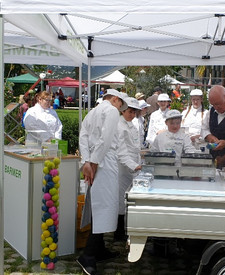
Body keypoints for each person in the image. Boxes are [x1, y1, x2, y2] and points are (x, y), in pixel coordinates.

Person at [77, 89, 128, 275]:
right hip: (104, 162)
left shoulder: (92, 112)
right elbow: (106, 138)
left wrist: (86, 161)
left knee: (98, 206)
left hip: (95, 161)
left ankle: (98, 250)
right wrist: (94, 162)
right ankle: (88, 255)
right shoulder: (112, 111)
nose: (120, 108)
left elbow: (83, 136)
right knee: (105, 206)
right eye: (120, 104)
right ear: (114, 99)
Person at [115, 97, 143, 241]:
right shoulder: (119, 126)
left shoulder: (132, 125)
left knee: (129, 198)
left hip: (133, 166)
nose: (132, 115)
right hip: (122, 167)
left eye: (134, 112)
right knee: (121, 199)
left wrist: (139, 161)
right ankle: (119, 232)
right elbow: (121, 152)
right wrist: (134, 165)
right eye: (130, 112)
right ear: (123, 111)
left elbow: (135, 147)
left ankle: (127, 228)